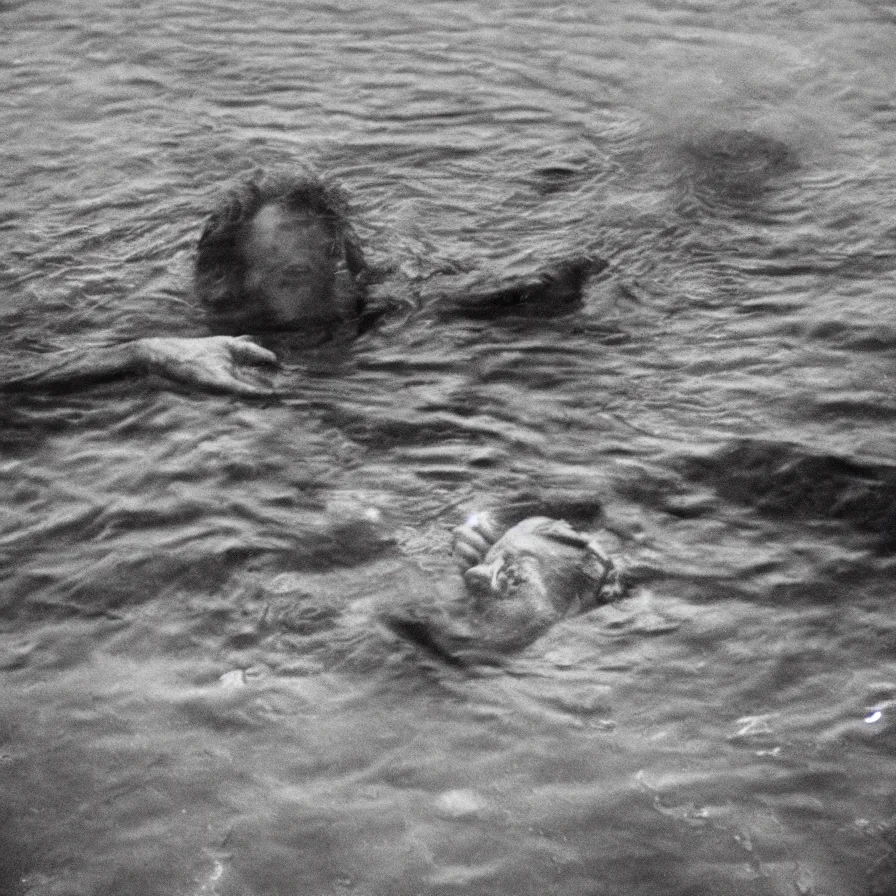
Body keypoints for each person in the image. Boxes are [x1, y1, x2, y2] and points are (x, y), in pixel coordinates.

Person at [2, 172, 604, 397]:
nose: (324, 296)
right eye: (292, 278)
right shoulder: (202, 331)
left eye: (328, 268)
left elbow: (467, 301)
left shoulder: (372, 303)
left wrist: (550, 291)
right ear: (241, 286)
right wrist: (145, 355)